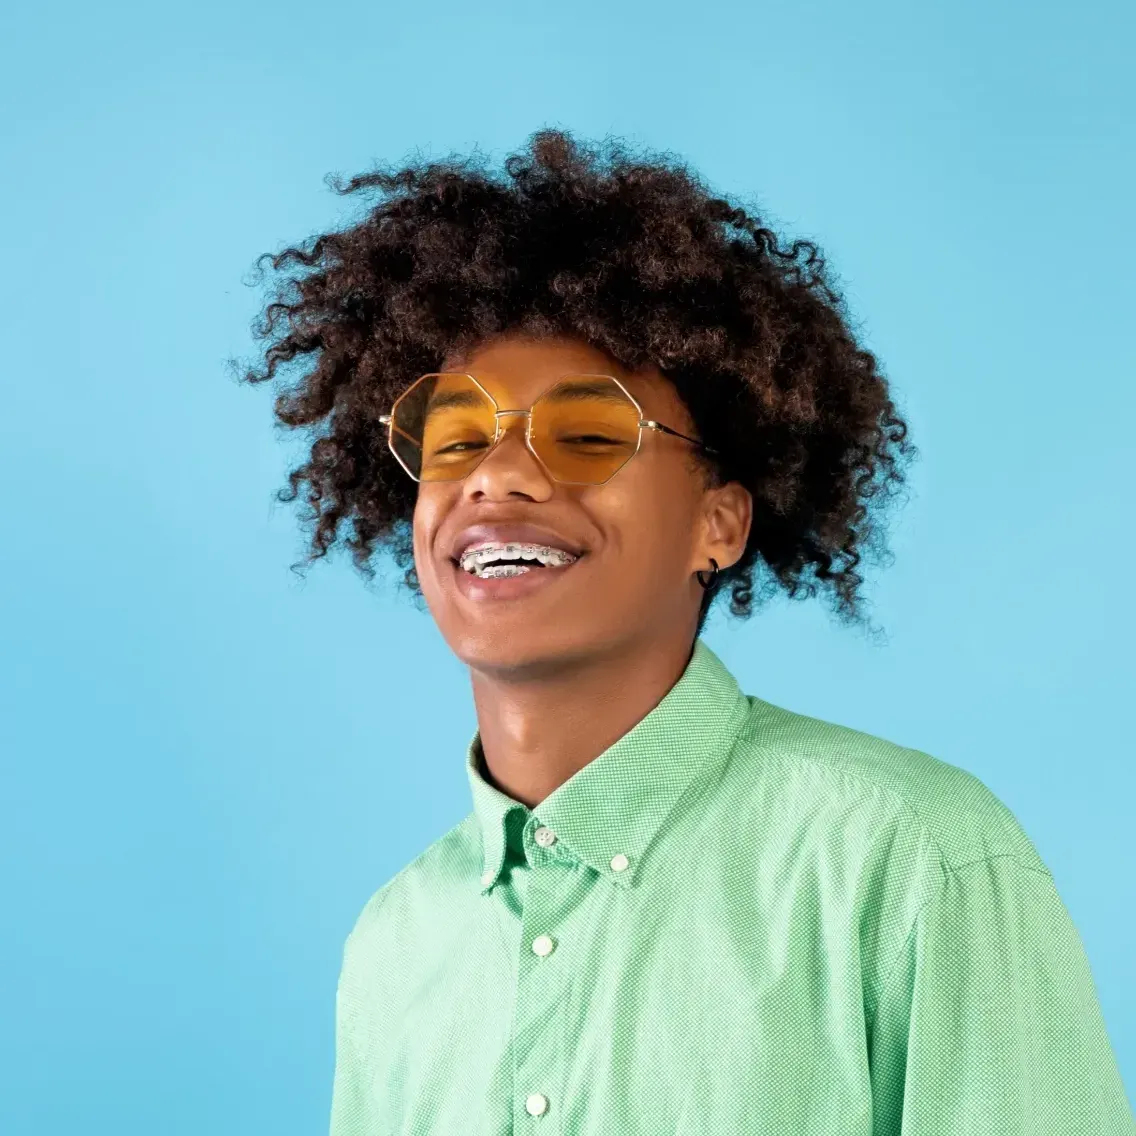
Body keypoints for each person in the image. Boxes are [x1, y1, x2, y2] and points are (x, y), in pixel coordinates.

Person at [241, 131, 1134, 1135]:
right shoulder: (396, 941)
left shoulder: (908, 855)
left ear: (718, 521)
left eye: (585, 434)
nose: (493, 476)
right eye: (454, 441)